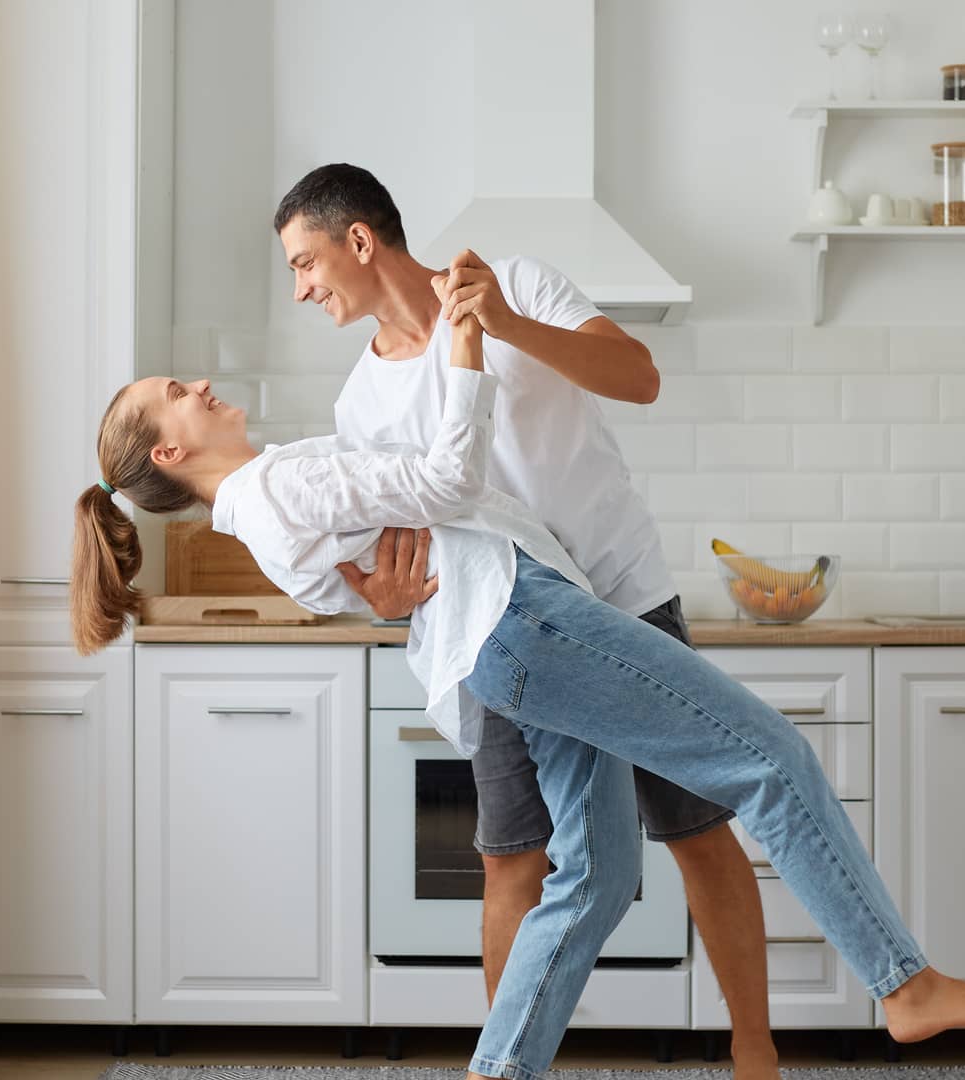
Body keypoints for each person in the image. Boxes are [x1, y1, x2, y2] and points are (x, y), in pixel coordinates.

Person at [68, 311, 965, 1080]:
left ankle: (499, 1071)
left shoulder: (271, 488)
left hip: (508, 635)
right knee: (769, 758)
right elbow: (447, 478)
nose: (197, 385)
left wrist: (388, 591)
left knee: (593, 876)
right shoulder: (273, 495)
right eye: (174, 394)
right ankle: (903, 982)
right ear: (167, 454)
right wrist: (461, 345)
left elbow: (375, 561)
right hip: (521, 619)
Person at [273, 162, 785, 1073]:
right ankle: (515, 1067)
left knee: (696, 829)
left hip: (621, 600)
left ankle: (755, 1055)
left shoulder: (519, 284)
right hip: (505, 636)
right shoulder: (362, 405)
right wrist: (385, 600)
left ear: (359, 240)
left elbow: (639, 377)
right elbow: (397, 553)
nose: (303, 288)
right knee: (515, 859)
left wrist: (504, 322)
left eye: (305, 263)